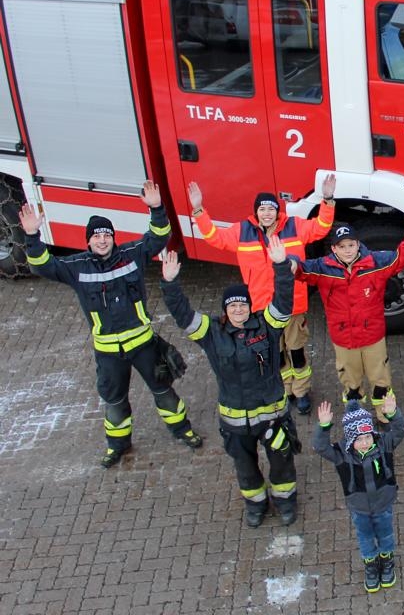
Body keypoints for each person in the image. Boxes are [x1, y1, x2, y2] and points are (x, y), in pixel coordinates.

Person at [19, 185, 202, 469]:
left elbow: (160, 236)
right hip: (108, 353)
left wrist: (156, 208)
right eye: (97, 236)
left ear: (113, 238)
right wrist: (32, 236)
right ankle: (118, 446)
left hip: (143, 345)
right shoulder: (76, 267)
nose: (103, 240)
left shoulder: (132, 254)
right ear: (88, 241)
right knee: (115, 403)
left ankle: (183, 431)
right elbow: (42, 264)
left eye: (107, 235)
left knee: (163, 391)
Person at [160, 239, 299, 528]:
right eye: (232, 305)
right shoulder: (212, 332)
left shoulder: (267, 325)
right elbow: (183, 315)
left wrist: (281, 266)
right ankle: (256, 504)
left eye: (242, 304)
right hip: (235, 420)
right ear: (225, 310)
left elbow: (284, 301)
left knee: (282, 461)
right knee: (245, 466)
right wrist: (170, 283)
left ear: (250, 306)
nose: (238, 309)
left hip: (273, 416)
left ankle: (285, 501)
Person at [188, 176, 336, 415]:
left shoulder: (295, 226)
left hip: (292, 305)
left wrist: (327, 200)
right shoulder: (241, 231)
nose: (267, 213)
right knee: (275, 354)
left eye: (271, 209)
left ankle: (302, 391)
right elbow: (214, 236)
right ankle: (285, 390)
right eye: (262, 209)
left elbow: (320, 228)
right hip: (262, 308)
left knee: (297, 352)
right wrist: (198, 209)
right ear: (256, 212)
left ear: (278, 212)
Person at [296, 219, 404, 409]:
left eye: (351, 245)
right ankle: (356, 418)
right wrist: (284, 262)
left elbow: (401, 257)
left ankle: (385, 414)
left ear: (358, 245)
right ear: (334, 249)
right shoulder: (323, 268)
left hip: (373, 337)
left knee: (381, 380)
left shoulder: (375, 264)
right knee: (351, 384)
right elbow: (299, 270)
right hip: (344, 341)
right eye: (342, 246)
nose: (347, 250)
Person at [313, 395, 404, 593]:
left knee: (385, 533)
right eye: (359, 439)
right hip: (359, 507)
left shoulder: (383, 445)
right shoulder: (341, 455)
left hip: (383, 503)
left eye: (367, 437)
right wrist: (323, 428)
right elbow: (320, 447)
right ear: (350, 439)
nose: (365, 443)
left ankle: (387, 560)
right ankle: (371, 566)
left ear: (373, 434)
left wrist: (392, 414)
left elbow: (399, 430)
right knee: (365, 536)